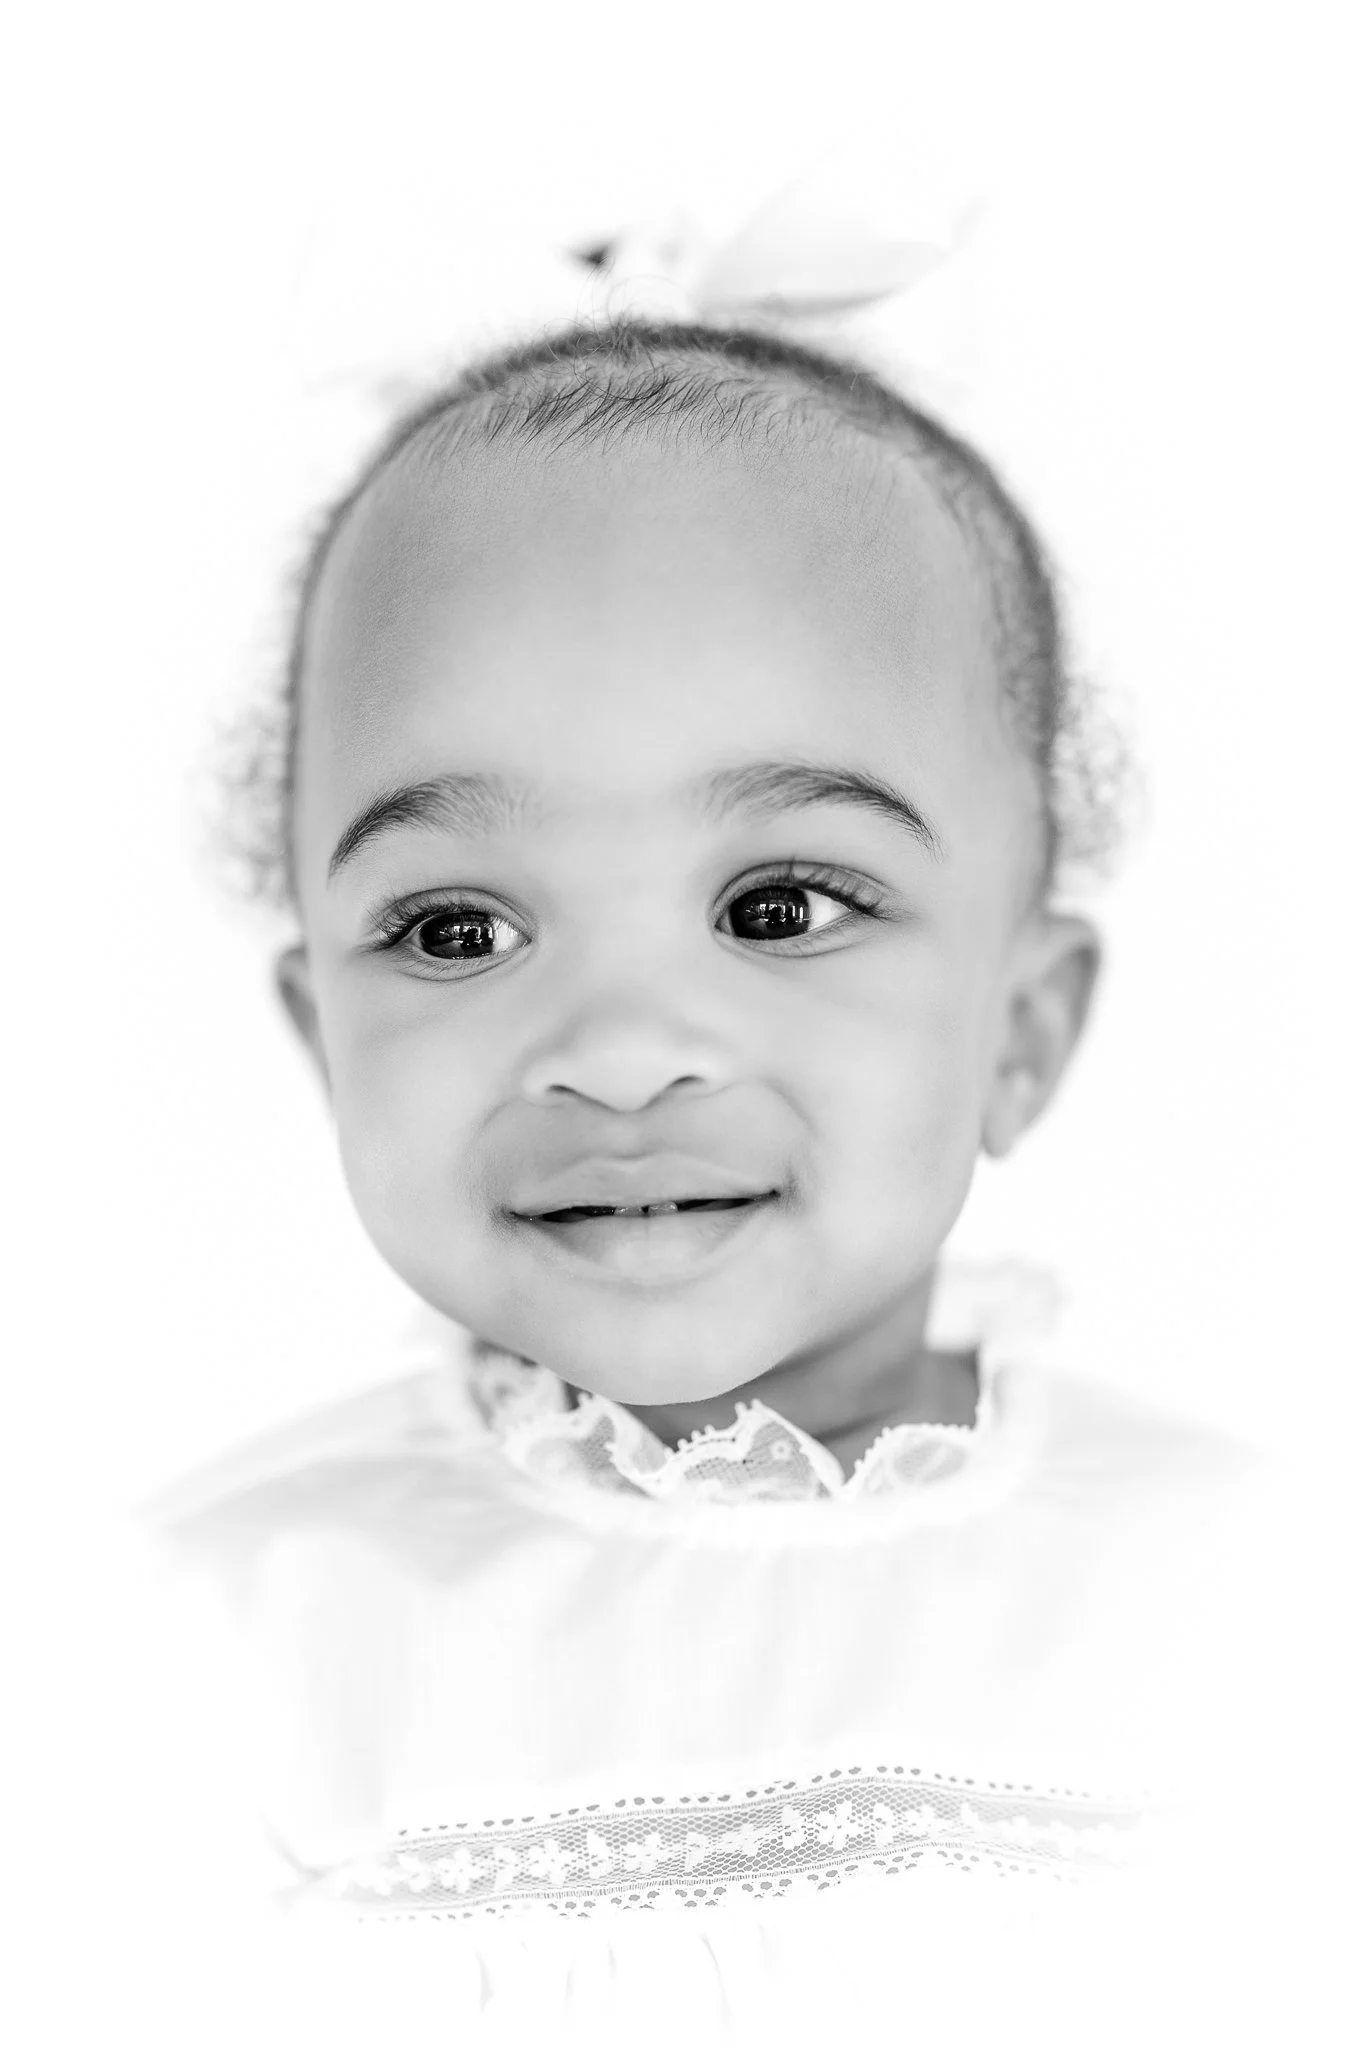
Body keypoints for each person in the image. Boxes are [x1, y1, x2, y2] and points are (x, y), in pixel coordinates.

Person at [135, 303, 1340, 2045]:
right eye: (455, 927)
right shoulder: (203, 1638)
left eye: (778, 908)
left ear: (1020, 1028)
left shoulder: (1271, 1604)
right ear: (323, 1032)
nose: (619, 1048)